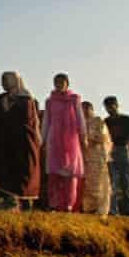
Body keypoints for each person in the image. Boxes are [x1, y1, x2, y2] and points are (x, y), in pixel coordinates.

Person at [0, 72, 41, 210]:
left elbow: (27, 120)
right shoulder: (1, 99)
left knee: (24, 173)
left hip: (24, 143)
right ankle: (11, 204)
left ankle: (26, 205)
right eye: (2, 80)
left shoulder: (26, 99)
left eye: (6, 80)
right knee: (9, 172)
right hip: (8, 143)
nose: (4, 83)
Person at [42, 74, 86, 212]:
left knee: (70, 175)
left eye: (62, 82)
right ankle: (54, 204)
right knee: (54, 174)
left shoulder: (74, 99)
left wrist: (83, 136)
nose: (59, 84)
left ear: (67, 83)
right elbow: (46, 121)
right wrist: (42, 139)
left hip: (71, 141)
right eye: (56, 82)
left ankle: (68, 204)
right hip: (54, 139)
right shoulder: (50, 101)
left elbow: (80, 118)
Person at [104, 96, 129, 216]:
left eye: (112, 105)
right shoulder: (106, 122)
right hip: (110, 151)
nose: (109, 108)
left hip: (123, 149)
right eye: (107, 106)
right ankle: (113, 210)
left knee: (126, 181)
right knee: (112, 182)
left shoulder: (127, 119)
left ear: (116, 105)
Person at [81, 101, 112, 217]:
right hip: (85, 156)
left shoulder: (98, 121)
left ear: (91, 109)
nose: (84, 111)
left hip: (97, 156)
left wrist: (88, 138)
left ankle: (100, 210)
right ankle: (88, 208)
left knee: (99, 183)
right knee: (87, 184)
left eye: (86, 109)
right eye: (82, 109)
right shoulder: (81, 122)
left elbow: (102, 137)